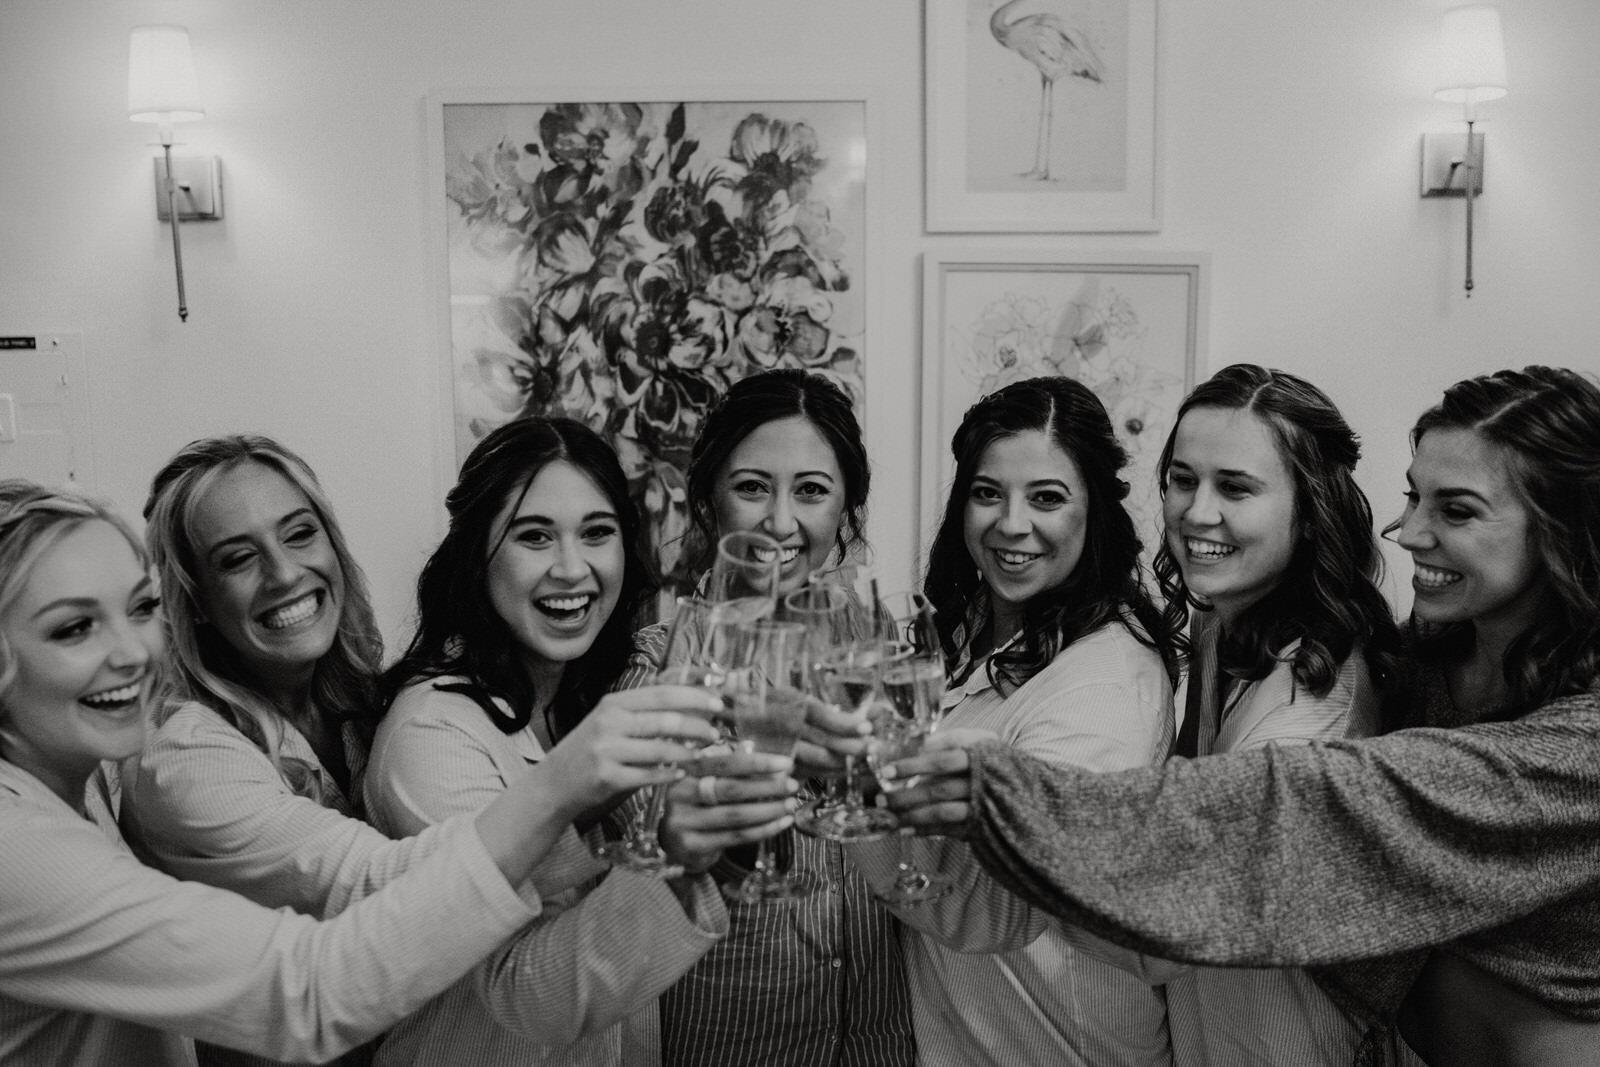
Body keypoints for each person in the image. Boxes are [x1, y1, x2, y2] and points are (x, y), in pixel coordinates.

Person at [889, 365, 1600, 1067]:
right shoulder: (1407, 650)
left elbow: (1289, 813)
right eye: (1181, 479)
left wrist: (988, 790)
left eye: (1457, 509)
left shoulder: (1332, 700)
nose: (1406, 529)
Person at [0, 479, 690, 1066]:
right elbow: (308, 986)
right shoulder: (26, 841)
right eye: (72, 629)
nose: (131, 651)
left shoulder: (76, 774)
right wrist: (566, 788)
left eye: (140, 607)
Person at [366, 415, 793, 1066]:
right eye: (534, 536)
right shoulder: (431, 736)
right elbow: (530, 994)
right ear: (475, 552)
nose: (573, 568)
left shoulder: (591, 698)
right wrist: (675, 856)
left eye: (597, 533)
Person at [850, 375, 1180, 1066]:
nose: (1011, 523)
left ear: (1094, 510)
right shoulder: (968, 625)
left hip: (1066, 1045)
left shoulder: (1105, 684)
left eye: (1047, 497)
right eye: (988, 492)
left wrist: (856, 783)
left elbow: (995, 910)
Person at [622, 368, 917, 1067]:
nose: (781, 522)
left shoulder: (884, 652)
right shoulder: (661, 667)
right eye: (752, 486)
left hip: (881, 1041)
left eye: (811, 490)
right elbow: (639, 867)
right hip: (734, 1041)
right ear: (708, 502)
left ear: (846, 507)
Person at [1148, 364, 1401, 1065]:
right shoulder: (1220, 624)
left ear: (1311, 508)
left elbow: (1197, 885)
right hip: (1218, 1014)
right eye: (1181, 478)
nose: (1197, 512)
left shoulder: (1314, 699)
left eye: (1235, 486)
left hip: (1289, 1031)